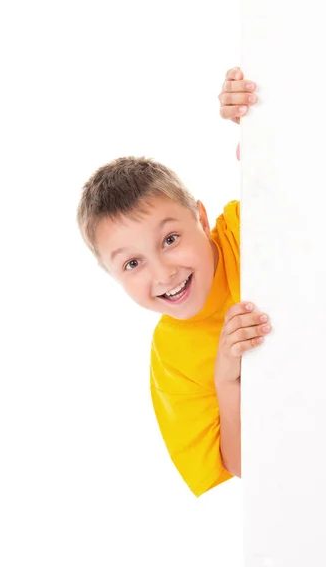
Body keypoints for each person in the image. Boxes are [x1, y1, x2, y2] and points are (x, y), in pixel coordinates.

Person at [76, 67, 272, 497]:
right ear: (112, 278)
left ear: (201, 218)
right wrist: (228, 380)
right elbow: (243, 465)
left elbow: (287, 178)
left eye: (169, 239)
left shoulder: (244, 229)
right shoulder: (172, 360)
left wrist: (258, 122)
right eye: (132, 264)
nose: (163, 274)